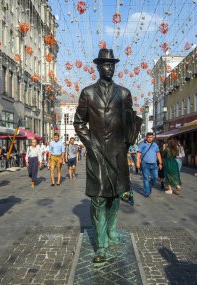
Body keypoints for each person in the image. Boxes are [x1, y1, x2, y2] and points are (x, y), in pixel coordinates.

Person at [74, 49, 142, 263]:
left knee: (115, 195)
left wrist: (130, 134)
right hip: (96, 151)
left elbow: (130, 119)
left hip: (118, 151)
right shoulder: (88, 93)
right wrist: (90, 143)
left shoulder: (124, 93)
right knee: (98, 197)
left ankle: (111, 230)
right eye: (106, 64)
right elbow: (79, 122)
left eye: (112, 64)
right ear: (98, 67)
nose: (110, 68)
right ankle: (101, 244)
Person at [136, 132, 162, 197]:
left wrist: (160, 163)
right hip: (145, 164)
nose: (150, 139)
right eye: (148, 137)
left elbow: (158, 154)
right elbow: (138, 154)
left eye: (151, 137)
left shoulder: (155, 145)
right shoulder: (142, 144)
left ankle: (148, 186)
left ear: (153, 137)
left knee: (155, 177)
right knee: (146, 178)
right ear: (146, 137)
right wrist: (138, 163)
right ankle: (147, 192)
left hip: (154, 164)